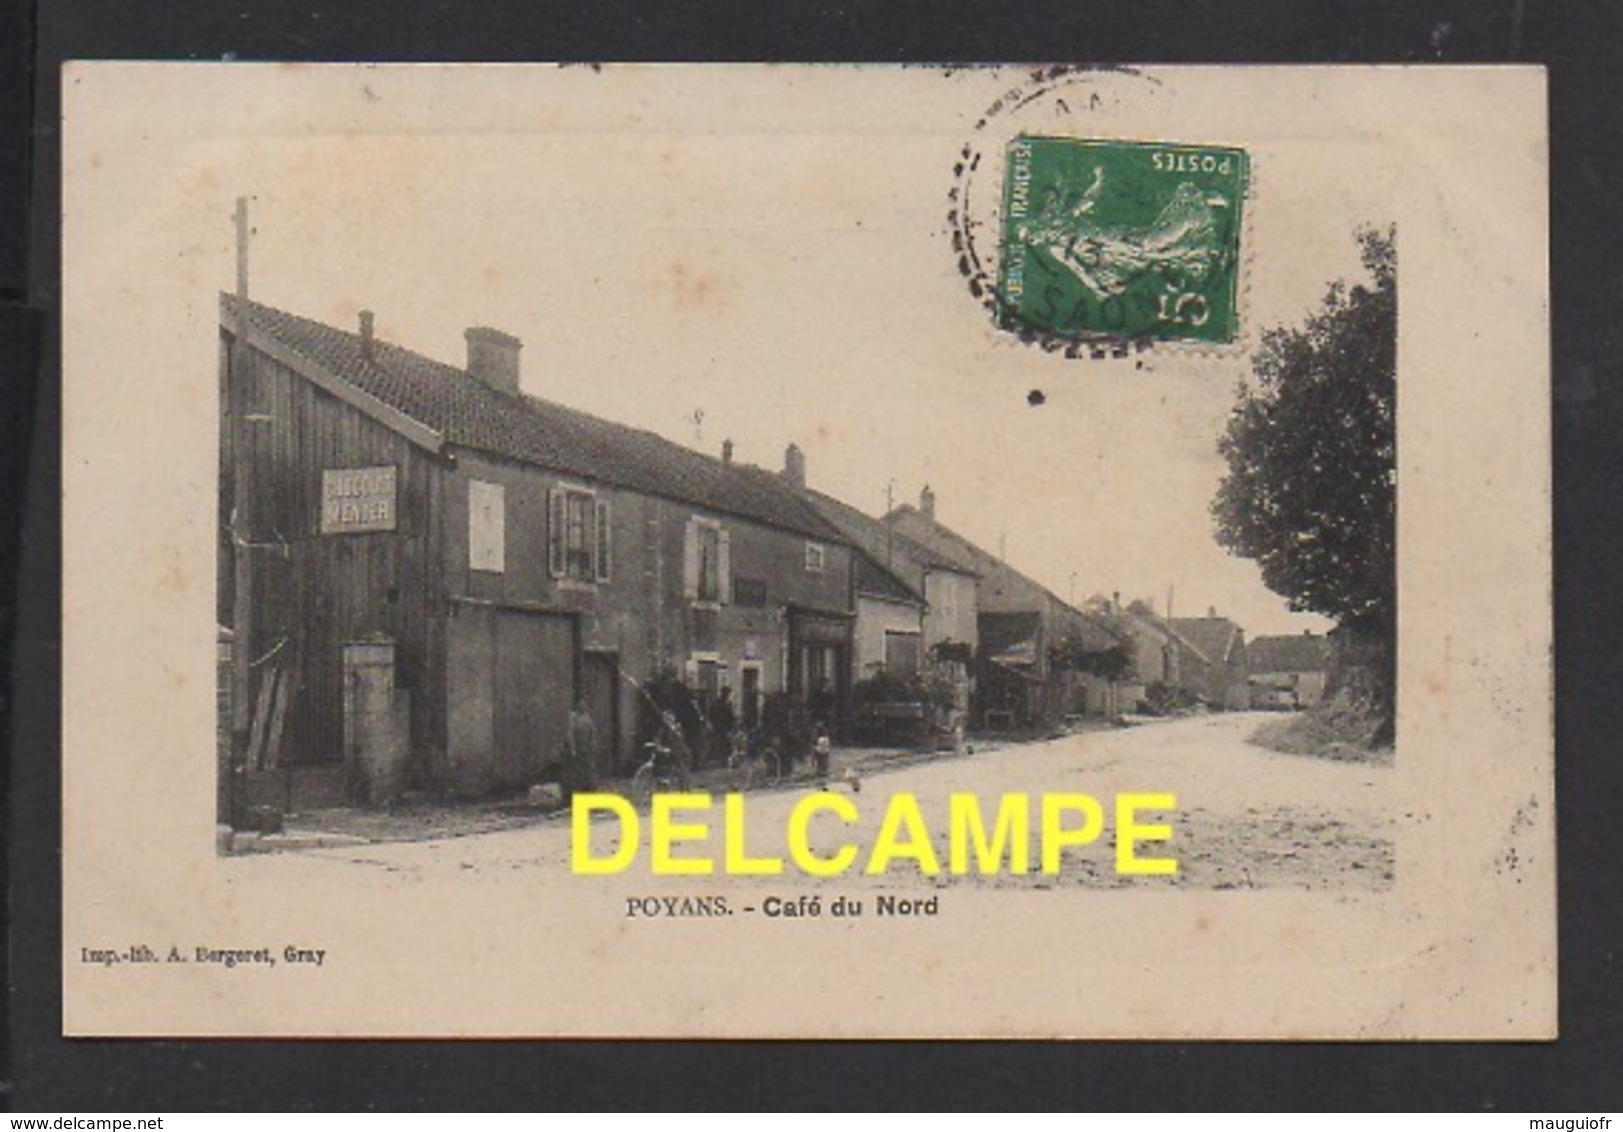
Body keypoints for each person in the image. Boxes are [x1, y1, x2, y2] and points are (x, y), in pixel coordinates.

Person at [565, 696, 598, 799]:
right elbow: (570, 734)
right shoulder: (573, 717)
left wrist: (593, 744)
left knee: (588, 771)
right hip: (578, 748)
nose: (584, 705)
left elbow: (593, 731)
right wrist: (573, 749)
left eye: (585, 704)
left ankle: (588, 791)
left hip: (587, 748)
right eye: (581, 703)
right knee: (577, 772)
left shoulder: (587, 717)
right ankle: (576, 793)